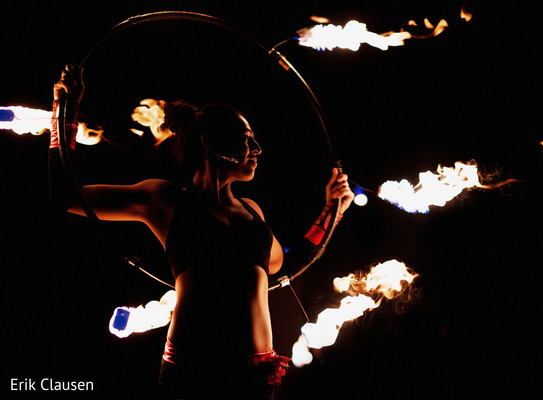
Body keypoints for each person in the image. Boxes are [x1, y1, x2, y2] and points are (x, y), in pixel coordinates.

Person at [49, 66, 354, 399]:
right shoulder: (164, 200)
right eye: (246, 138)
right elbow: (65, 196)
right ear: (211, 142)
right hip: (191, 374)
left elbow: (288, 266)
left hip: (256, 377)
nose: (257, 148)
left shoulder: (253, 212)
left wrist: (331, 210)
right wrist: (64, 112)